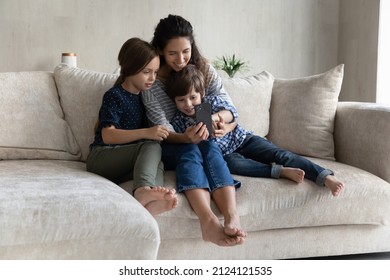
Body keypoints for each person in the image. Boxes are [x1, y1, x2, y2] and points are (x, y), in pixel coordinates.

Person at [142, 14, 246, 246]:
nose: (181, 59)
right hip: (168, 143)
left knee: (206, 143)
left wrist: (219, 120)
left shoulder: (202, 68)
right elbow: (161, 126)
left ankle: (231, 216)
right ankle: (208, 220)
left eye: (185, 51)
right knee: (192, 147)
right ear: (160, 50)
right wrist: (184, 137)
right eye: (172, 53)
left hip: (203, 136)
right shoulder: (151, 80)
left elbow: (226, 104)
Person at [167, 65, 345, 196]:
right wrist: (189, 137)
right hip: (225, 155)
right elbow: (189, 145)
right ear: (174, 101)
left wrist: (216, 119)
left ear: (201, 94)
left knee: (280, 154)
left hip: (243, 139)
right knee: (235, 166)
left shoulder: (210, 103)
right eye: (181, 100)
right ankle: (280, 172)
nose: (188, 104)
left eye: (192, 97)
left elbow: (232, 114)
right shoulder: (178, 121)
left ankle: (324, 176)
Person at [86, 37, 178, 216]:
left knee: (157, 159)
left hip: (122, 166)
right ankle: (142, 190)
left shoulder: (145, 98)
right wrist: (147, 132)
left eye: (155, 72)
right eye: (147, 72)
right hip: (101, 157)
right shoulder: (115, 95)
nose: (152, 78)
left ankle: (150, 204)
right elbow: (107, 135)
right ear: (129, 68)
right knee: (151, 144)